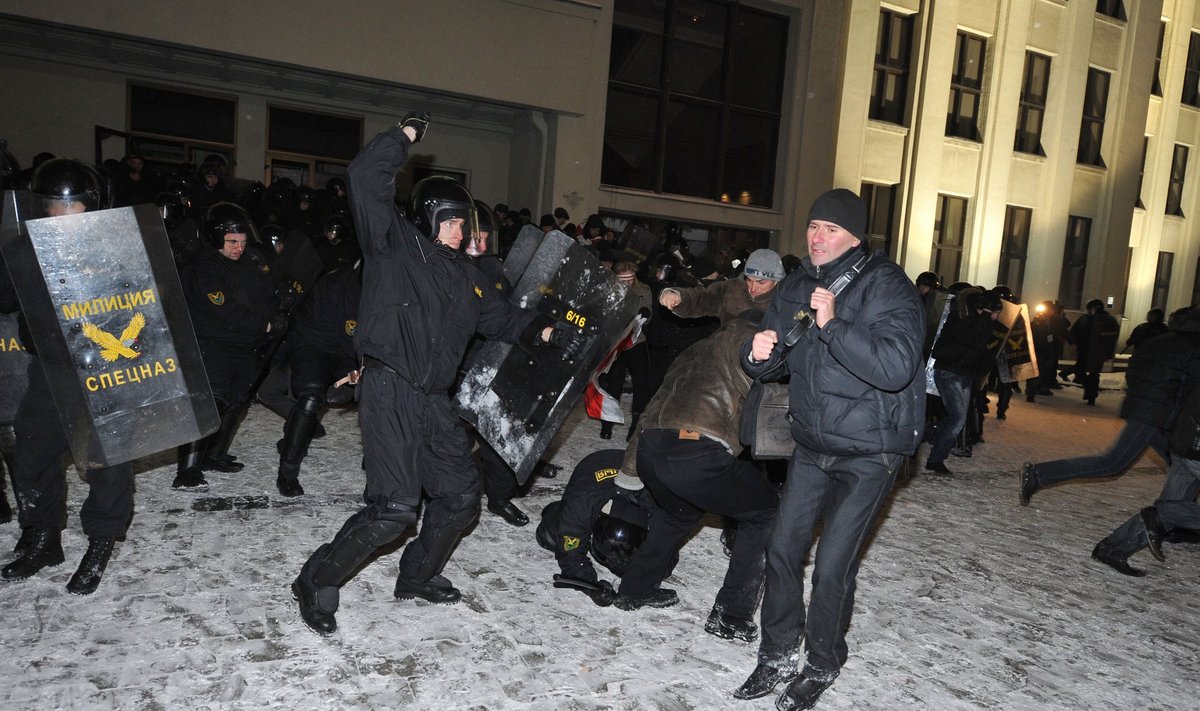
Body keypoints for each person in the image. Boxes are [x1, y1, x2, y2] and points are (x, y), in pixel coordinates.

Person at [291, 114, 586, 636]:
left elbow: (504, 320)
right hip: (389, 387)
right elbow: (364, 177)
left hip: (433, 400)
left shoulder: (469, 280)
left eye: (464, 224)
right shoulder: (393, 247)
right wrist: (403, 137)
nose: (460, 232)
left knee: (459, 498)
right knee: (395, 509)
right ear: (429, 217)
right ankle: (314, 580)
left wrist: (547, 330)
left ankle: (417, 576)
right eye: (452, 221)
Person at [735, 189, 925, 710]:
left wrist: (834, 325)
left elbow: (896, 367)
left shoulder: (888, 287)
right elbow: (774, 359)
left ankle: (822, 660)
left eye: (831, 229)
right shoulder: (796, 284)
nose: (818, 237)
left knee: (833, 564)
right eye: (813, 226)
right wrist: (756, 355)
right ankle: (775, 653)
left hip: (870, 451)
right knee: (782, 549)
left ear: (856, 235)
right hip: (813, 443)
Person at [0, 158, 134, 595]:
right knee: (33, 451)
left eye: (73, 207)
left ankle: (100, 539)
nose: (64, 216)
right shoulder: (22, 246)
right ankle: (43, 536)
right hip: (48, 366)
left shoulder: (113, 247)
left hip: (102, 366)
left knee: (106, 458)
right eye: (56, 208)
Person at [613, 313, 780, 646]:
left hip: (652, 447)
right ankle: (731, 616)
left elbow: (651, 406)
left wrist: (630, 469)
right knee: (767, 513)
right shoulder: (749, 338)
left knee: (680, 514)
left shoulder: (693, 351)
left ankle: (633, 590)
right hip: (696, 451)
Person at [1020, 306, 1197, 506]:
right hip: (1155, 414)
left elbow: (1133, 372)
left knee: (1183, 464)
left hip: (1148, 409)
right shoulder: (1193, 348)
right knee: (1113, 463)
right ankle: (1038, 474)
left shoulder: (1160, 341)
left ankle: (1170, 518)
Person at [174, 202, 280, 490]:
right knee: (210, 402)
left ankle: (213, 454)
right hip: (213, 344)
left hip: (245, 346)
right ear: (215, 238)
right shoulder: (202, 268)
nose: (238, 247)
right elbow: (224, 308)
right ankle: (188, 469)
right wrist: (264, 324)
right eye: (232, 241)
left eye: (243, 242)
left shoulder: (247, 264)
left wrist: (277, 312)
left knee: (236, 402)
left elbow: (264, 295)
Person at [1090, 306, 1200, 576]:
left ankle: (1115, 548)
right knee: (1167, 511)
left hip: (1185, 439)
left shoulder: (1168, 344)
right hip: (1193, 442)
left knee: (1172, 503)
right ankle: (1163, 519)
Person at [273, 259, 362, 496]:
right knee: (311, 397)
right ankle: (288, 472)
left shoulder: (389, 287)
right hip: (314, 344)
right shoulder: (334, 284)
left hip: (349, 352)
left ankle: (379, 469)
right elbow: (337, 332)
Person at [535, 448, 655, 606]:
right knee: (550, 537)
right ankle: (557, 512)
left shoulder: (654, 500)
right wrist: (591, 587)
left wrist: (643, 569)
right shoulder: (582, 504)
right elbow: (571, 558)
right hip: (592, 469)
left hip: (631, 468)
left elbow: (668, 538)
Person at [924, 287, 997, 476]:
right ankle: (931, 451)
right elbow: (975, 342)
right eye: (995, 313)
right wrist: (986, 317)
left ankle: (927, 440)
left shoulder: (972, 319)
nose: (996, 318)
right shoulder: (965, 320)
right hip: (951, 373)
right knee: (957, 418)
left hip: (962, 374)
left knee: (955, 418)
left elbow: (980, 350)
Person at [657, 248, 783, 325]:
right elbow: (702, 298)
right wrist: (678, 296)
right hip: (725, 357)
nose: (753, 288)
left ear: (777, 280)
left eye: (761, 283)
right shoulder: (732, 289)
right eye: (749, 280)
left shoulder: (786, 301)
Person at [1068, 298, 1119, 405]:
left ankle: (1091, 395)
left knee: (1093, 373)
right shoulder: (1085, 319)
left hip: (1096, 351)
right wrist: (1073, 342)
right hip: (1085, 350)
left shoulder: (1107, 320)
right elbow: (1074, 331)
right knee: (1081, 372)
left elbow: (1112, 336)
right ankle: (1091, 391)